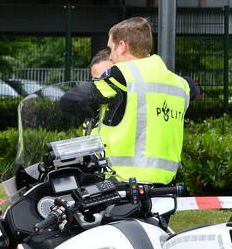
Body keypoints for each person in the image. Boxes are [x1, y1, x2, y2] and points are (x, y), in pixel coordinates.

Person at [62, 17, 190, 185]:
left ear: (122, 46)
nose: (111, 58)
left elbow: (70, 100)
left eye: (111, 48)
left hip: (122, 181)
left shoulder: (121, 75)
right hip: (165, 183)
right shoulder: (179, 84)